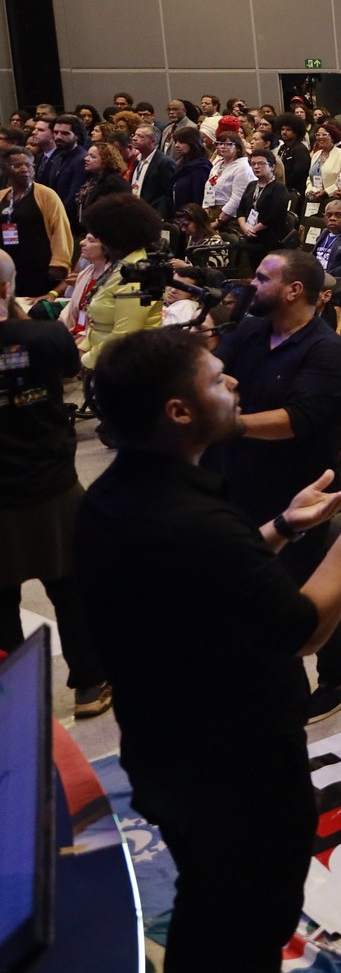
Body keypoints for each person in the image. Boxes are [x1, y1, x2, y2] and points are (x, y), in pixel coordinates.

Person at [79, 327, 341, 973]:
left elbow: (203, 581)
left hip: (170, 752)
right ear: (179, 411)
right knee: (246, 920)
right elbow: (304, 628)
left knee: (208, 904)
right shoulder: (194, 521)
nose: (232, 383)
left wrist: (281, 526)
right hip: (233, 771)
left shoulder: (113, 497)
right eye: (215, 378)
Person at [214, 248, 341, 721]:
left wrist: (230, 423)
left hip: (300, 489)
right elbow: (217, 372)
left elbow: (296, 421)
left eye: (263, 278)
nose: (252, 284)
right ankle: (269, 674)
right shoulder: (252, 330)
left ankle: (335, 679)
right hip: (240, 476)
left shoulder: (326, 351)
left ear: (294, 290)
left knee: (298, 587)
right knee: (252, 580)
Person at [0, 250, 109, 719]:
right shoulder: (46, 336)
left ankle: (14, 697)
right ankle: (90, 684)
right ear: (8, 287)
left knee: (1, 603)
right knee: (72, 588)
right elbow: (69, 371)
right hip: (51, 485)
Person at [75, 192, 164, 371]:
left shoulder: (137, 274)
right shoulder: (120, 265)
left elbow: (124, 336)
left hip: (127, 367)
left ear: (113, 236)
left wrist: (85, 360)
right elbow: (98, 325)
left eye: (100, 235)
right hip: (103, 360)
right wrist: (82, 347)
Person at [0, 145, 75, 301]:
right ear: (6, 169)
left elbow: (60, 229)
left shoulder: (46, 195)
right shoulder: (2, 196)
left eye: (28, 165)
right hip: (8, 263)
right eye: (17, 165)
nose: (24, 169)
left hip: (39, 264)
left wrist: (59, 261)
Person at [236, 148, 292, 255]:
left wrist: (254, 229)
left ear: (272, 167)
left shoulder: (279, 188)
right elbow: (240, 210)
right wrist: (244, 226)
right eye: (253, 164)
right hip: (250, 233)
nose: (256, 167)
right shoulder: (251, 185)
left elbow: (276, 215)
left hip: (269, 237)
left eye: (261, 163)